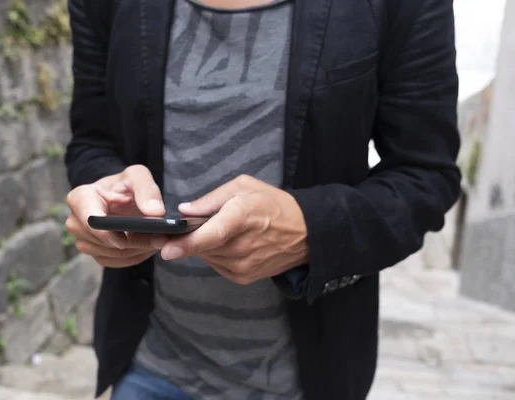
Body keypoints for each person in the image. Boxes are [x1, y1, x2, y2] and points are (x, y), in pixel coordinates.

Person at [64, 0, 461, 398]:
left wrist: (311, 229)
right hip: (148, 362)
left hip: (308, 380)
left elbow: (426, 176)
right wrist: (103, 196)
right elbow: (92, 141)